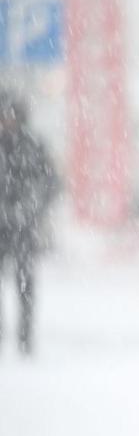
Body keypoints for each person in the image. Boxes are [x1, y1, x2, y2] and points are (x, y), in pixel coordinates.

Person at [0, 91, 59, 356]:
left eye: (11, 113)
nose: (7, 119)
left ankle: (25, 336)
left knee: (25, 283)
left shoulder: (32, 146)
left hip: (23, 226)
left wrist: (30, 208)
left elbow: (50, 183)